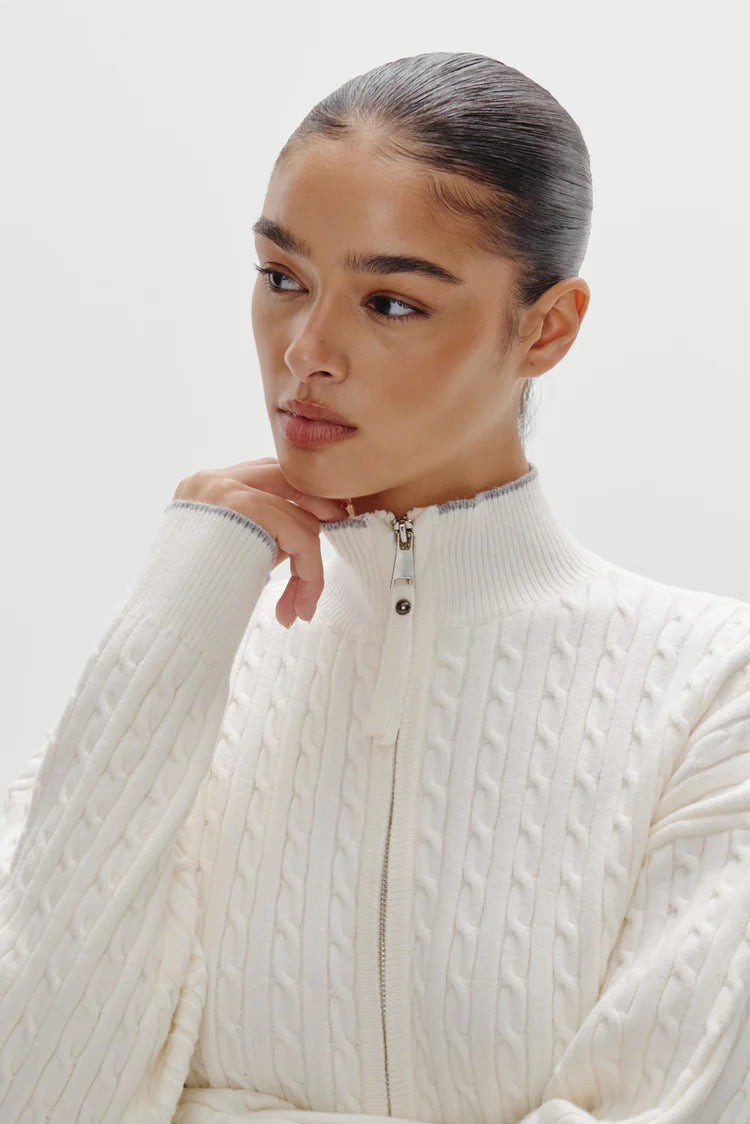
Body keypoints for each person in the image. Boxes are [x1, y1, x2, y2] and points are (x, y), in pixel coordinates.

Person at [1, 50, 749, 1124]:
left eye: (391, 302)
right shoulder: (189, 662)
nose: (305, 352)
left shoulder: (714, 691)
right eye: (281, 278)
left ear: (547, 327)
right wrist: (180, 603)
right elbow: (33, 1092)